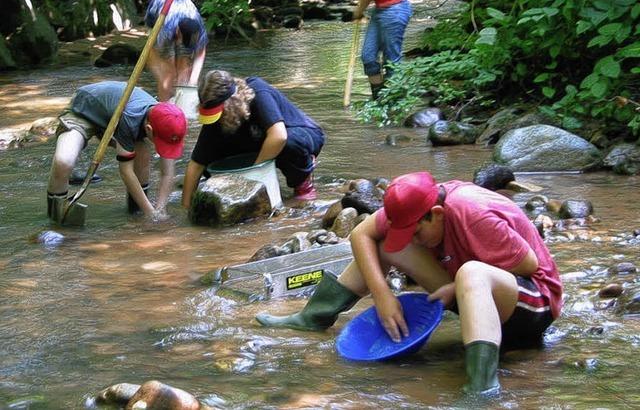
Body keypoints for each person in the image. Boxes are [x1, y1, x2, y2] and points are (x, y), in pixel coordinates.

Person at [256, 171, 563, 395]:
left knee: (471, 272)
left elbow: (528, 265)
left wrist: (456, 286)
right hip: (476, 294)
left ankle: (482, 388)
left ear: (437, 214)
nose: (414, 241)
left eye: (417, 233)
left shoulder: (474, 212)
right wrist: (383, 296)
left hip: (532, 302)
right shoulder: (410, 206)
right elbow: (362, 234)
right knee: (384, 245)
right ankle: (314, 317)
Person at [46, 81, 187, 223]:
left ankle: (136, 214)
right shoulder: (130, 117)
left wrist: (160, 209)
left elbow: (168, 172)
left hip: (116, 117)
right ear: (149, 129)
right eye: (161, 142)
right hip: (84, 110)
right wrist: (151, 212)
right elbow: (126, 171)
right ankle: (55, 221)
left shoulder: (171, 120)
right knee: (63, 161)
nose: (163, 148)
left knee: (142, 155)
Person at [181, 70, 325, 207]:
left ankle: (303, 183)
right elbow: (196, 165)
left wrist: (251, 177)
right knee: (210, 162)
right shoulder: (216, 116)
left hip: (301, 135)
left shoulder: (258, 91)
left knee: (290, 144)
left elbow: (279, 136)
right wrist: (187, 207)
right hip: (258, 142)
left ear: (232, 102)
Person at [145, 0, 208, 101]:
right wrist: (163, 79)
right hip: (158, 8)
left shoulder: (200, 30)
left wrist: (193, 80)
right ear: (178, 32)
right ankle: (164, 106)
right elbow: (153, 52)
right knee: (167, 76)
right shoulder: (165, 31)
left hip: (183, 4)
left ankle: (182, 102)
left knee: (185, 67)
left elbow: (200, 53)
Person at [353, 0, 412, 99]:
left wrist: (358, 12)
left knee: (391, 60)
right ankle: (378, 100)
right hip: (380, 9)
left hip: (395, 9)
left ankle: (396, 102)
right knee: (368, 56)